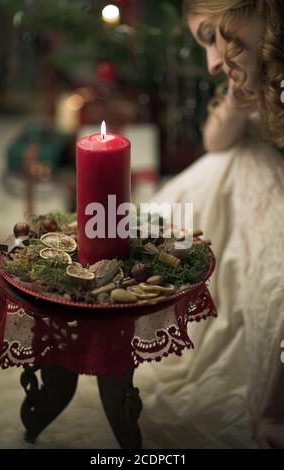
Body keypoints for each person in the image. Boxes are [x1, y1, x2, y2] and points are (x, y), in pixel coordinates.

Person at [137, 0, 284, 449]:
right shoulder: (256, 78)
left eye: (211, 36)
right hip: (239, 192)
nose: (212, 62)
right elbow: (214, 140)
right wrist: (240, 108)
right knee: (229, 160)